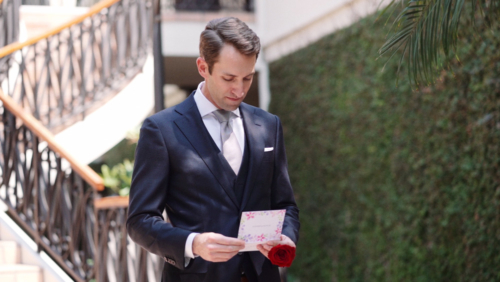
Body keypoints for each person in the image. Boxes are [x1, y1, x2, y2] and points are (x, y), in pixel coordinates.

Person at [126, 17, 300, 282]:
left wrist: (286, 237)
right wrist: (193, 243)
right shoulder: (161, 130)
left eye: (247, 78)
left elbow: (286, 204)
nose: (239, 90)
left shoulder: (268, 125)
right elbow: (139, 221)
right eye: (229, 78)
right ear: (202, 67)